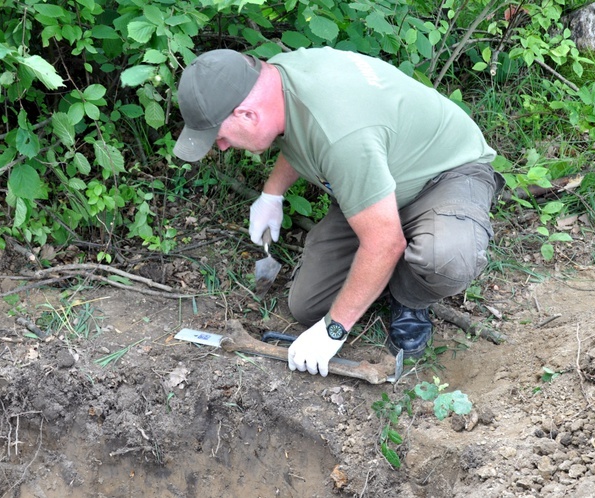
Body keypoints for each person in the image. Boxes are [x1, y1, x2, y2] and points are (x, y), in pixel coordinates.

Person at [173, 47, 503, 377]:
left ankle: (410, 294)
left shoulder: (341, 133)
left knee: (446, 259)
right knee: (308, 305)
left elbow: (382, 238)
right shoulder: (276, 81)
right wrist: (272, 194)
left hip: (442, 176)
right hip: (375, 180)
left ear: (247, 115)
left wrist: (334, 330)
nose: (222, 146)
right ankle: (385, 261)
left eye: (219, 136)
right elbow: (301, 137)